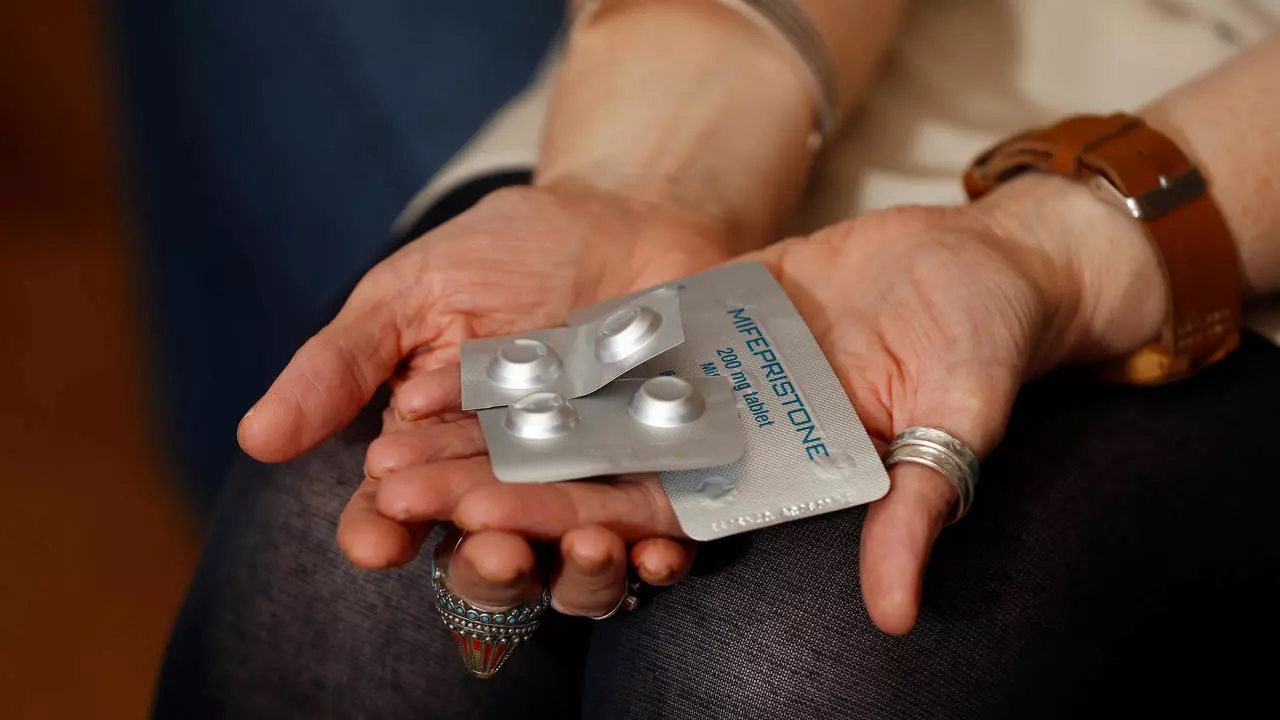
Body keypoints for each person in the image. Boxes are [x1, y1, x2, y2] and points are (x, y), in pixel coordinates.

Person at [157, 1, 1280, 717]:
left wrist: (1060, 250)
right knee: (344, 540)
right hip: (820, 40)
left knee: (796, 667)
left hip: (1241, 154)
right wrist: (653, 175)